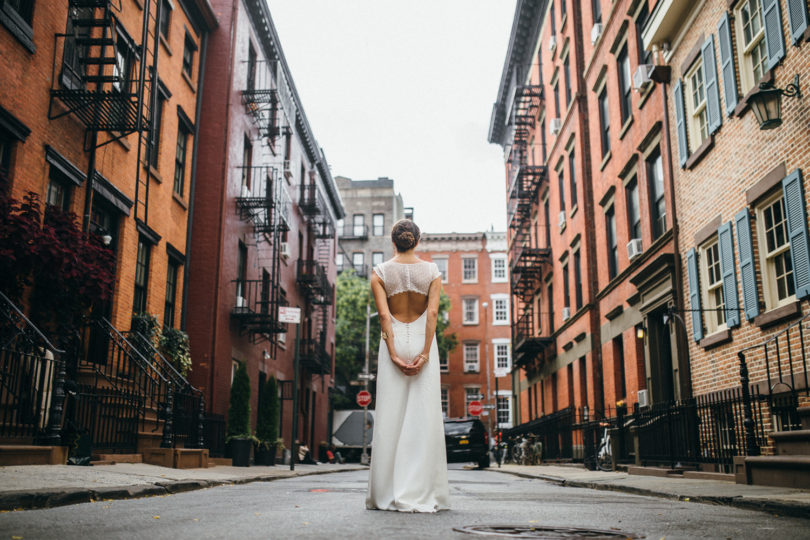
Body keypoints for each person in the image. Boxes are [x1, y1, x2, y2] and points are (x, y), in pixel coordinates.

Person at [365, 219, 450, 513]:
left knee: (390, 417)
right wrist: (425, 354)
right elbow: (433, 314)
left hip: (395, 341)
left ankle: (386, 493)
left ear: (393, 241)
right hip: (423, 342)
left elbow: (384, 318)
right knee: (424, 418)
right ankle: (424, 491)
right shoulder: (432, 272)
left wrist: (393, 353)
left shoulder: (380, 273)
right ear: (417, 240)